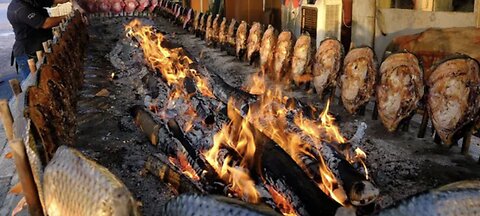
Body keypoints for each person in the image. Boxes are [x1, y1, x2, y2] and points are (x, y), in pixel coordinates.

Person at [7, 0, 69, 81]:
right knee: (34, 83)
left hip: (40, 48)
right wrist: (68, 15)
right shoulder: (19, 8)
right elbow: (45, 23)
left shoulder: (31, 1)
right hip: (28, 54)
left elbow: (53, 0)